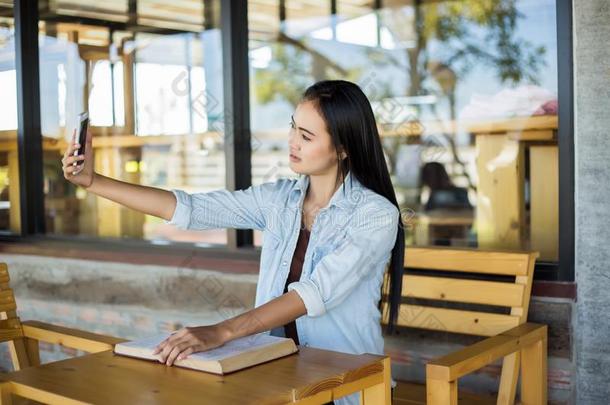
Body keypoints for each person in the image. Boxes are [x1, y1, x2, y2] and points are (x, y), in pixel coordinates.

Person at [61, 80, 404, 405]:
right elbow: (191, 209)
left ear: (342, 149)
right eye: (292, 127)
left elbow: (312, 293)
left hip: (348, 387)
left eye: (306, 135)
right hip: (278, 378)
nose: (292, 141)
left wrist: (222, 332)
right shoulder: (279, 200)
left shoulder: (375, 216)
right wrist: (93, 182)